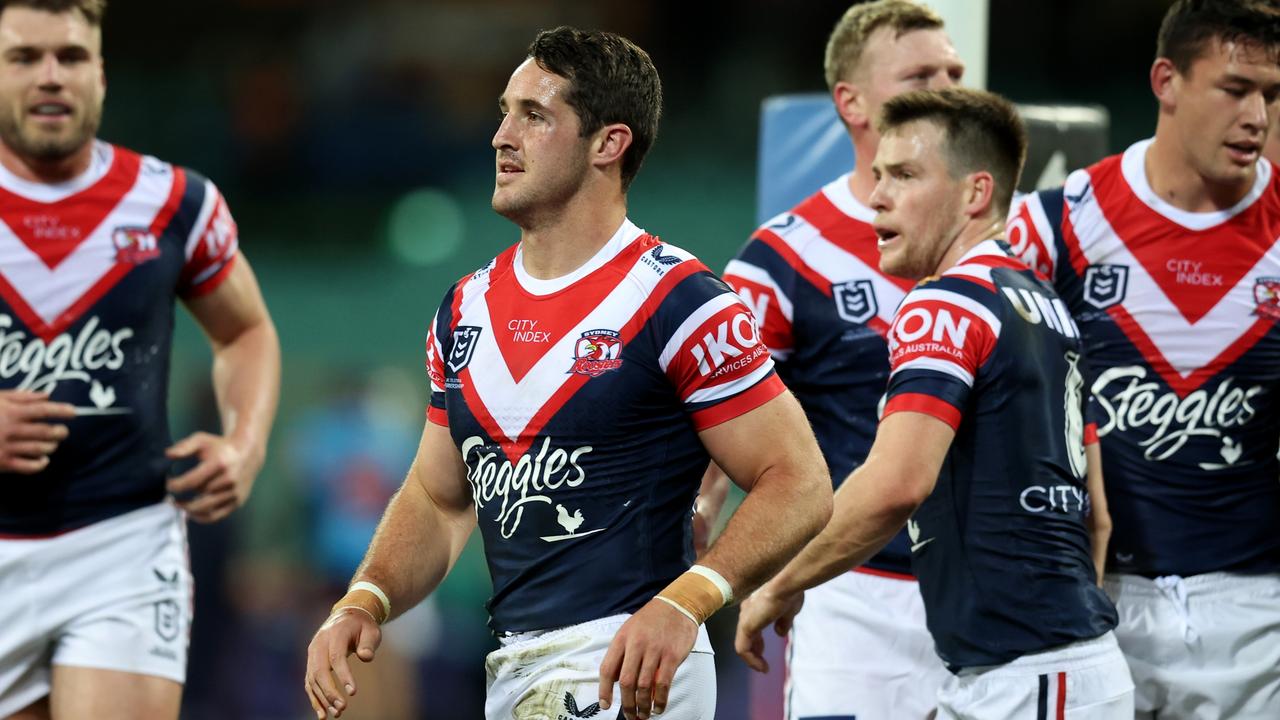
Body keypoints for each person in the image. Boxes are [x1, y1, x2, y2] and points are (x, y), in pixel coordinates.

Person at [303, 26, 831, 720]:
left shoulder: (678, 300)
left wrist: (688, 600)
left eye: (535, 115)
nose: (501, 136)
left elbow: (800, 482)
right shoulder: (464, 309)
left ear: (608, 143)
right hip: (516, 668)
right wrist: (365, 598)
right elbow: (438, 499)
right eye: (504, 111)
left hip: (630, 665)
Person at [736, 87, 1134, 719]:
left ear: (975, 193)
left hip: (1025, 677)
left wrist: (779, 584)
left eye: (905, 175)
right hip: (1056, 666)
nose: (877, 196)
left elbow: (896, 485)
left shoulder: (943, 304)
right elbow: (1099, 517)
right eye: (878, 175)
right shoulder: (1049, 306)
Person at [0, 1, 281, 719]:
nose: (50, 76)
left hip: (121, 542)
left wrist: (244, 446)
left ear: (101, 73)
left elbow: (245, 333)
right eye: (23, 57)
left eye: (71, 56)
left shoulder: (174, 202)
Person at [1005, 1, 1280, 717]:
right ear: (1167, 80)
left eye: (1272, 94)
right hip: (1098, 607)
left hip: (1260, 612)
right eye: (1234, 88)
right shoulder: (1055, 225)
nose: (1257, 115)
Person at [699, 2, 964, 716]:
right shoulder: (783, 256)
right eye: (919, 74)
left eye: (953, 72)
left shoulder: (1017, 242)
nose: (946, 87)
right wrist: (697, 523)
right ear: (850, 102)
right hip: (855, 597)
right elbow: (720, 417)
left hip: (992, 590)